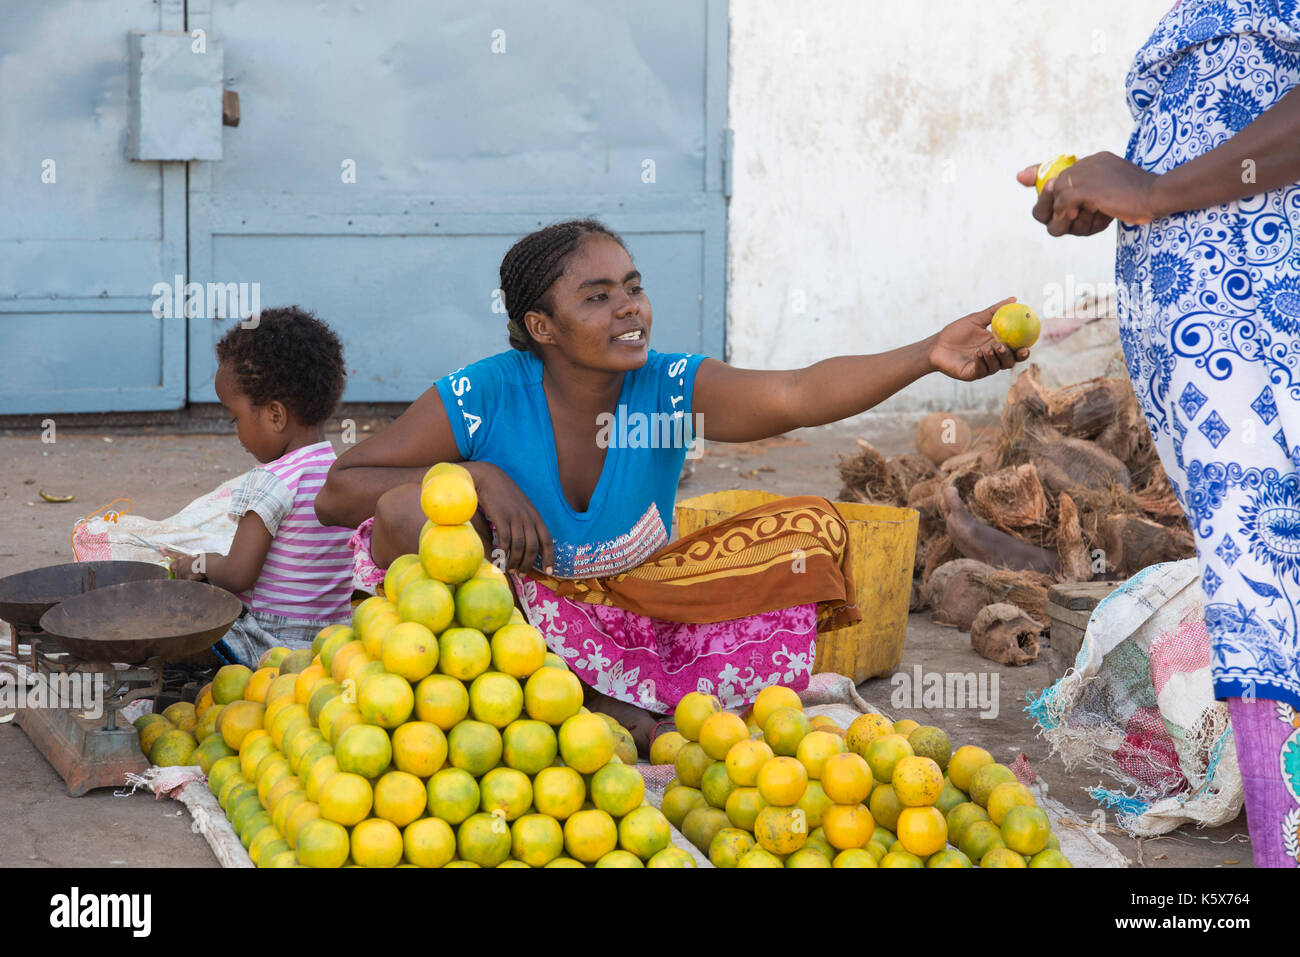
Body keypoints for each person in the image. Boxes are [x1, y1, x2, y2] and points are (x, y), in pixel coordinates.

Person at [313, 220, 1029, 748]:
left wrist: (928, 353)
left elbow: (798, 392)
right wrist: (468, 474)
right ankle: (557, 700)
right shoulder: (485, 393)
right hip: (506, 627)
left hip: (631, 609)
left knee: (802, 533)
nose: (629, 308)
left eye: (633, 288)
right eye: (597, 297)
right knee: (413, 510)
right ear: (542, 325)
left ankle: (604, 693)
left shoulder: (669, 386)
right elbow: (343, 490)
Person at [1019, 0, 1300, 867]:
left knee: (1262, 568)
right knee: (1254, 571)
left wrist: (1152, 191)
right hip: (1200, 327)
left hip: (1253, 314)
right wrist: (1121, 191)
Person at [165, 307, 355, 667]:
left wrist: (199, 563)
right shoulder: (338, 472)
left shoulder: (271, 479)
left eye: (235, 417)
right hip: (334, 646)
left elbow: (237, 574)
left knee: (181, 616)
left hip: (268, 645)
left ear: (275, 415)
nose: (235, 431)